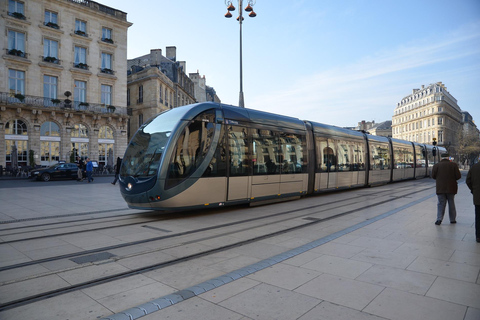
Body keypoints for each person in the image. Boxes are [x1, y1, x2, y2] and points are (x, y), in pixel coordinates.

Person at [431, 153, 461, 225]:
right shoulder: (454, 165)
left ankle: (439, 219)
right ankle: (452, 219)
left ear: (441, 158)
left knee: (441, 203)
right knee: (451, 203)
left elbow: (433, 176)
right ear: (448, 158)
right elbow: (458, 176)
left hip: (440, 188)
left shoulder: (436, 166)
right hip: (451, 187)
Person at [466, 161, 480, 243]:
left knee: (478, 216)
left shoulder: (474, 167)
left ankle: (478, 236)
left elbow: (468, 181)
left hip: (477, 196)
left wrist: (473, 190)